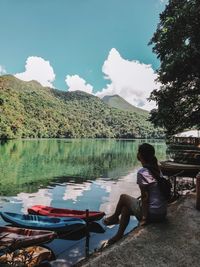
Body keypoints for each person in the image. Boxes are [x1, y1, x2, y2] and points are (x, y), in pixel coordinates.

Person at [103, 143, 168, 244]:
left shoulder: (143, 172)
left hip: (153, 215)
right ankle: (118, 236)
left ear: (140, 155)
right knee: (125, 209)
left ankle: (115, 217)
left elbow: (145, 197)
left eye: (138, 152)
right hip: (162, 213)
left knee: (123, 197)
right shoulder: (157, 168)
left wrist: (144, 218)